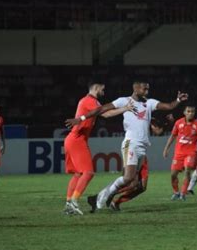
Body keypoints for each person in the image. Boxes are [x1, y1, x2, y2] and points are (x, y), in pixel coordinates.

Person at [65, 80, 187, 212]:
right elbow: (101, 109)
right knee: (128, 177)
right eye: (144, 89)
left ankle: (99, 199)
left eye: (148, 89)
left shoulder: (149, 103)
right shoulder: (124, 101)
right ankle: (101, 197)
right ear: (136, 89)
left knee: (134, 183)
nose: (147, 92)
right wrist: (80, 119)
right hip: (131, 143)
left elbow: (169, 106)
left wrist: (178, 100)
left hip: (142, 147)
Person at [62, 81, 134, 215]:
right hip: (77, 140)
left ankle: (68, 204)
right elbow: (105, 112)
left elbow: (106, 113)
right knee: (88, 173)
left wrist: (124, 108)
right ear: (96, 88)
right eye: (103, 89)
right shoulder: (90, 100)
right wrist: (125, 108)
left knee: (79, 174)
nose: (104, 92)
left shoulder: (87, 101)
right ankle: (73, 201)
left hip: (72, 139)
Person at [163, 105, 197, 201]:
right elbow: (173, 136)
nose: (191, 113)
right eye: (189, 111)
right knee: (173, 175)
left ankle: (183, 193)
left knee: (187, 171)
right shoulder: (178, 123)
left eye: (193, 112)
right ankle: (176, 192)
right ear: (185, 112)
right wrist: (166, 149)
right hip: (178, 153)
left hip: (191, 153)